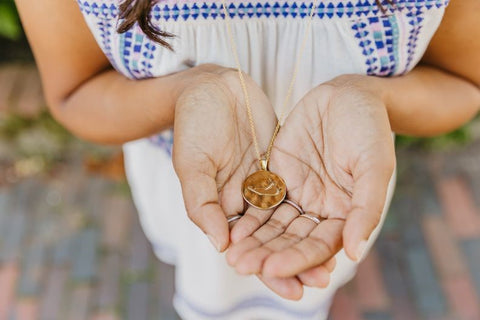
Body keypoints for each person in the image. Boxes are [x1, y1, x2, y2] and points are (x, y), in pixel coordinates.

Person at [15, 0, 479, 319]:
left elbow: (464, 81)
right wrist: (186, 92)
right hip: (186, 193)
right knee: (204, 265)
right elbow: (74, 92)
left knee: (312, 286)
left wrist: (371, 97)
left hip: (340, 190)